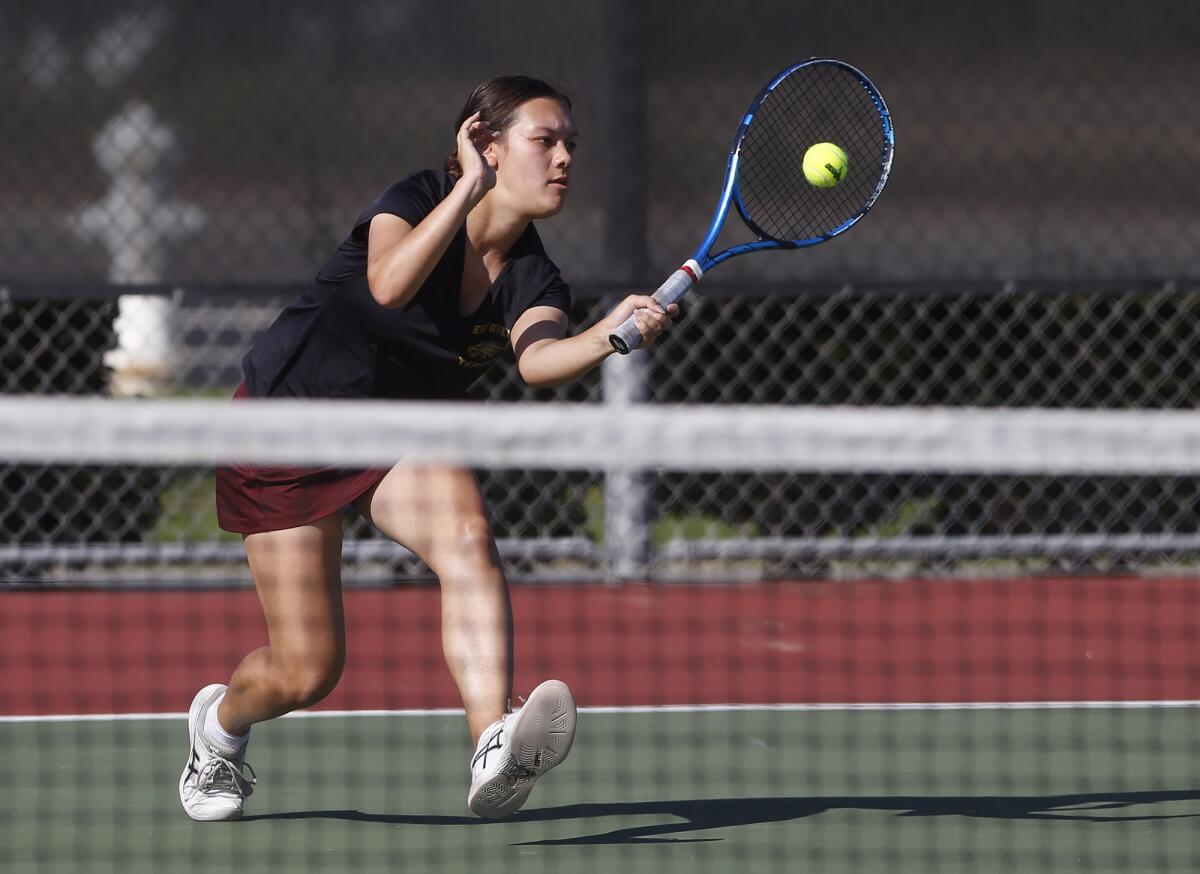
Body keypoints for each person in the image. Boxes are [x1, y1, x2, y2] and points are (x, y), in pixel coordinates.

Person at [178, 75, 677, 822]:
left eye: (572, 142)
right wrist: (466, 190)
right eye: (545, 140)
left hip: (400, 437)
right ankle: (218, 730)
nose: (566, 157)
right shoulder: (413, 199)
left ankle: (491, 743)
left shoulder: (534, 271)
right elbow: (386, 285)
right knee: (308, 671)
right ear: (485, 144)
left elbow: (538, 359)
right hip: (287, 429)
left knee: (470, 539)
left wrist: (607, 334)